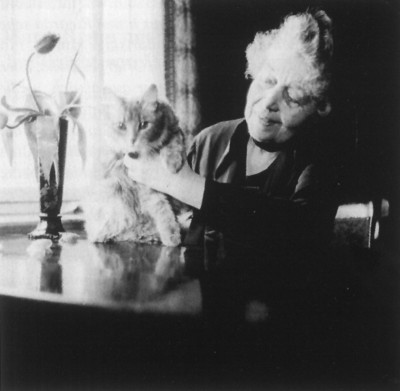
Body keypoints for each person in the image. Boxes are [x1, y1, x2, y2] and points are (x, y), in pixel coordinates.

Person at [124, 10, 339, 290]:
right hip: (202, 312)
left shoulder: (322, 160)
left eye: (294, 96)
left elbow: (297, 231)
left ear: (318, 108)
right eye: (268, 81)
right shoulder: (209, 140)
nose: (268, 102)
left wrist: (179, 183)